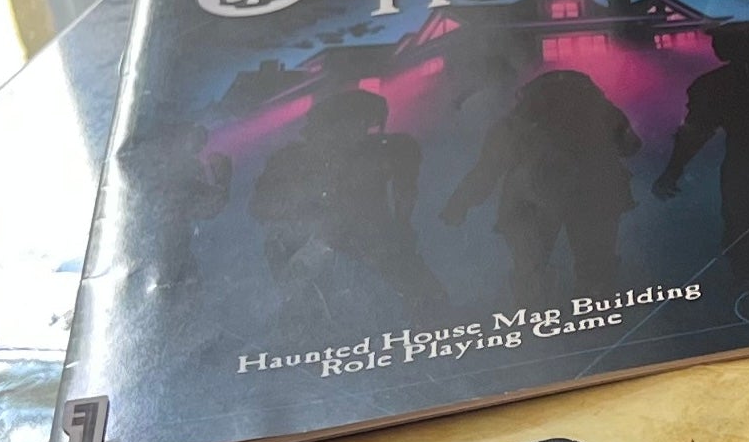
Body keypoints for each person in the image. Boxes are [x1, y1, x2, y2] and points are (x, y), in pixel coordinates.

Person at [250, 83, 448, 332]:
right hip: (317, 266)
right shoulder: (289, 164)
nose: (360, 133)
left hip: (375, 254)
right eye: (354, 124)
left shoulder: (383, 154)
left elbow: (405, 194)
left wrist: (401, 226)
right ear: (324, 128)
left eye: (366, 125)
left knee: (430, 303)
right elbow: (263, 210)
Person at [438, 66, 640, 305]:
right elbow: (631, 146)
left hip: (534, 197)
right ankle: (596, 312)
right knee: (595, 271)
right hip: (591, 195)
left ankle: (537, 316)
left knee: (531, 272)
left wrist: (458, 205)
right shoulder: (603, 113)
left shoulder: (516, 122)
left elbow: (487, 170)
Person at [653, 18, 749, 291]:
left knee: (746, 227)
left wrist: (672, 171)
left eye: (721, 39)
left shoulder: (715, 84)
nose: (715, 45)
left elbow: (694, 133)